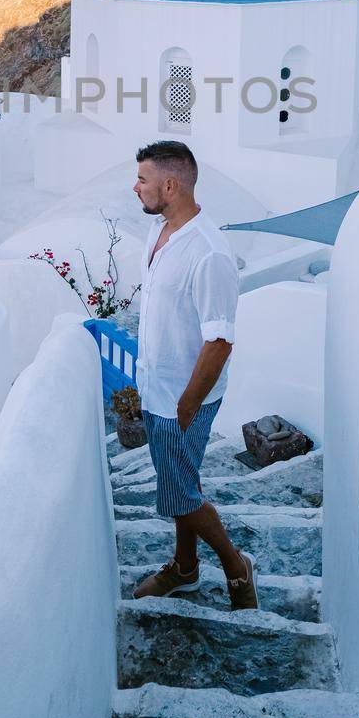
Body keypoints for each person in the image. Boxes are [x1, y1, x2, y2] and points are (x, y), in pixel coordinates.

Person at [130, 140, 258, 609]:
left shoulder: (208, 253)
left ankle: (235, 567)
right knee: (180, 487)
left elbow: (219, 340)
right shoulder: (162, 232)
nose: (136, 187)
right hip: (157, 389)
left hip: (184, 399)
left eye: (142, 179)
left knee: (181, 494)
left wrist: (186, 403)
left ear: (170, 184)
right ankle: (185, 569)